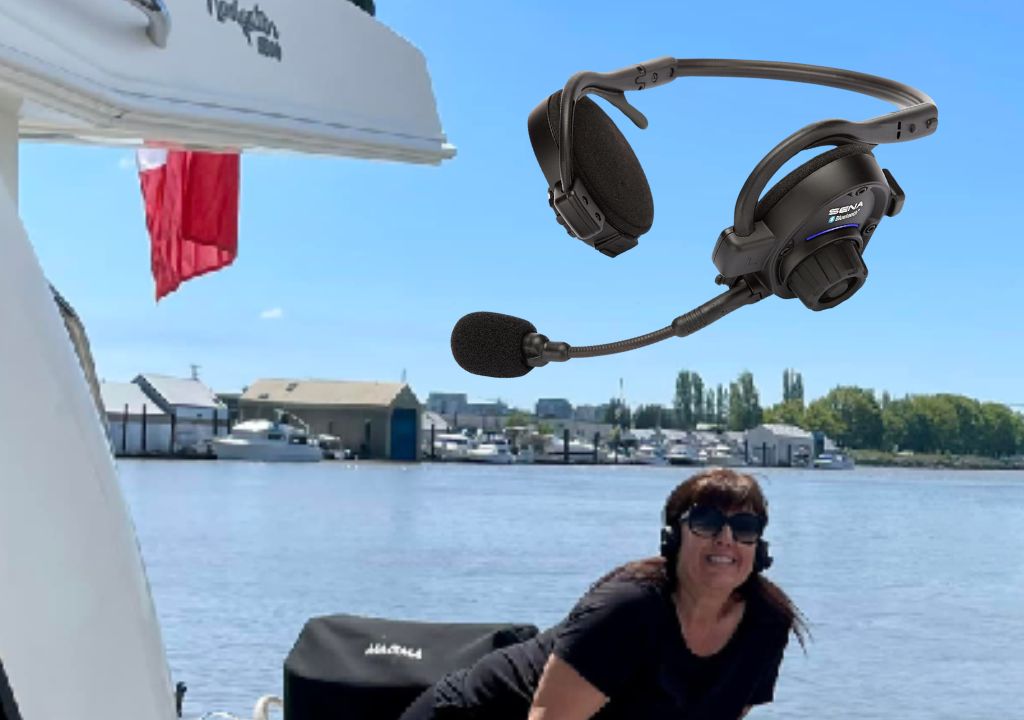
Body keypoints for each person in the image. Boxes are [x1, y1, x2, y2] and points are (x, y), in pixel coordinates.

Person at [398, 467, 808, 720]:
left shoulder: (766, 623)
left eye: (745, 529)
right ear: (672, 539)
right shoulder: (628, 608)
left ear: (760, 548)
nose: (725, 539)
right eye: (706, 522)